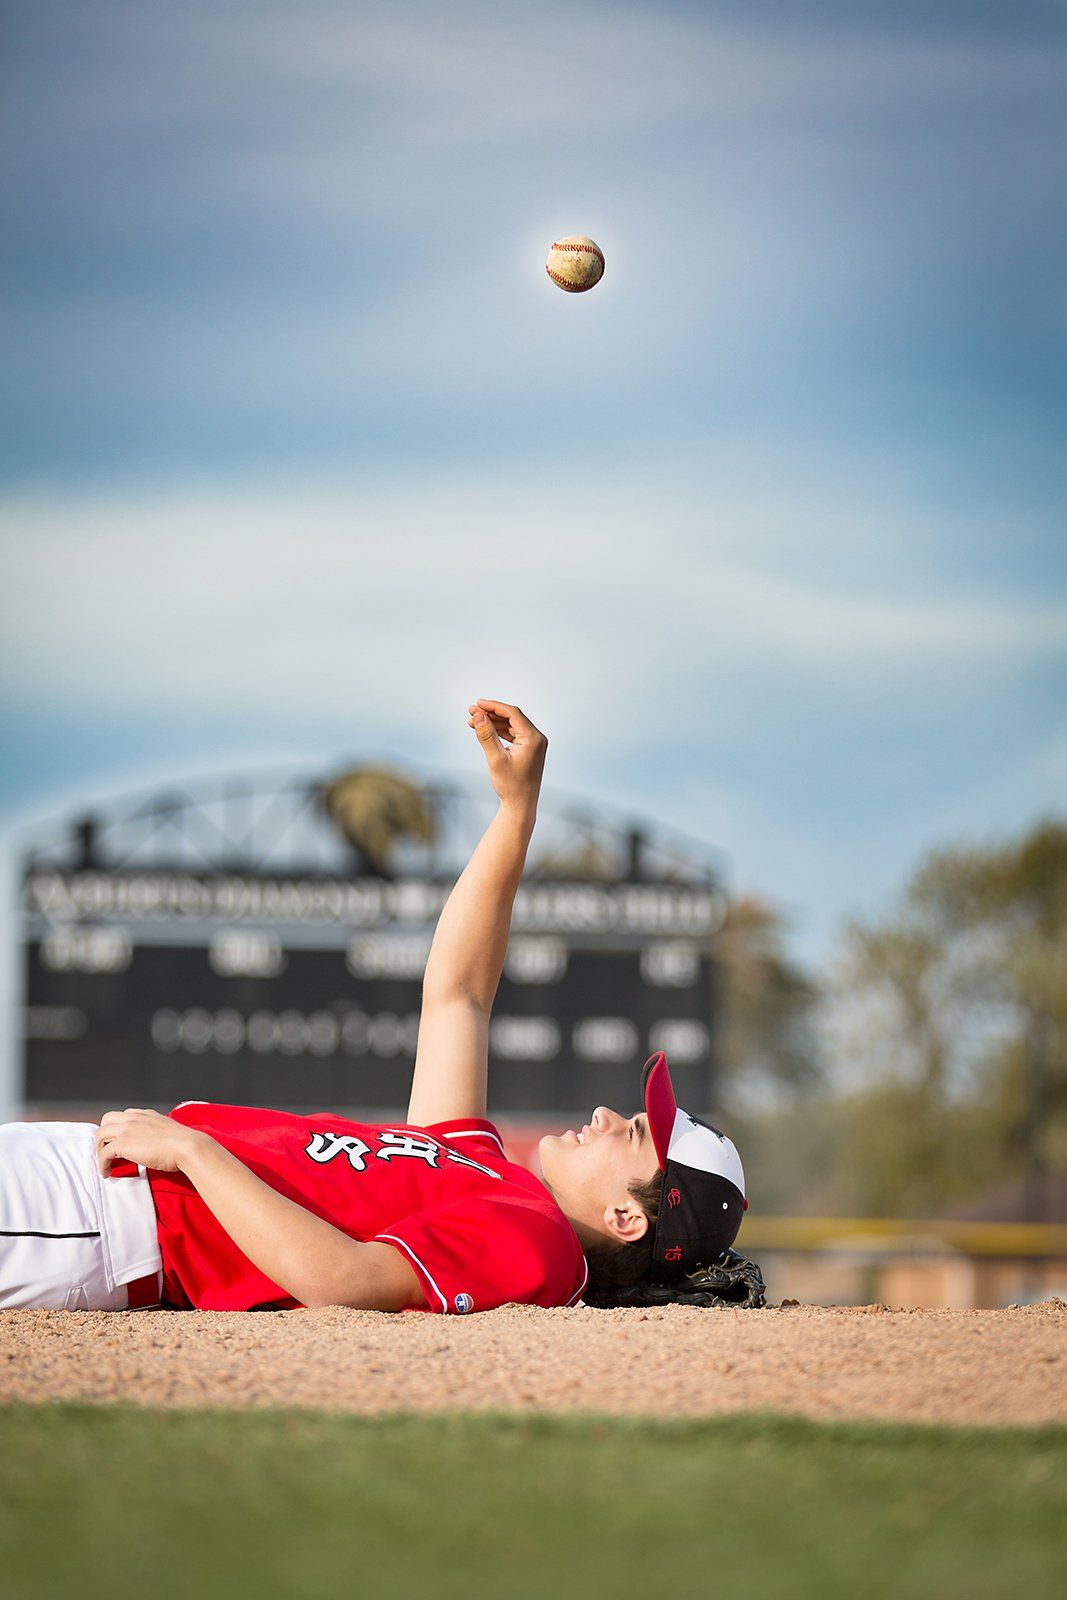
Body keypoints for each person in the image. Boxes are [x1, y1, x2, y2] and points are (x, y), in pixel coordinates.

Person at [0, 699, 760, 1316]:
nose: (602, 1114)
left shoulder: (539, 1246)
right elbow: (457, 998)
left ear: (628, 1219)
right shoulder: (486, 1171)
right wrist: (517, 809)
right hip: (95, 1181)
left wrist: (193, 1152)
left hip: (105, 1221)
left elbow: (347, 1282)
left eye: (630, 1132)